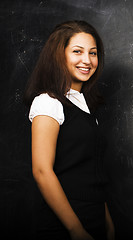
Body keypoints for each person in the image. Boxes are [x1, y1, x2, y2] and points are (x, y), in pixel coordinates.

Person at [24, 20, 114, 240]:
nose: (87, 60)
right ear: (59, 55)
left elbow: (90, 172)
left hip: (93, 220)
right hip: (64, 223)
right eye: (77, 51)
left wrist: (108, 225)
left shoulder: (84, 105)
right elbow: (42, 171)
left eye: (93, 53)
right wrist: (76, 230)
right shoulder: (48, 102)